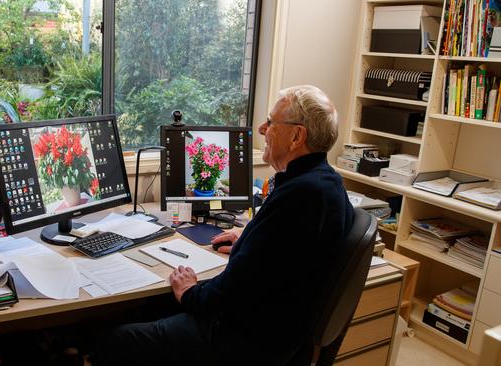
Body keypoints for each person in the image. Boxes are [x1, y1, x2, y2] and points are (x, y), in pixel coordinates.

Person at [91, 85, 355, 365]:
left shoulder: (301, 195)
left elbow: (235, 290)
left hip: (245, 340)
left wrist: (191, 292)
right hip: (279, 333)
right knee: (152, 307)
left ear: (297, 136)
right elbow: (285, 254)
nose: (263, 128)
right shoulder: (326, 183)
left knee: (114, 341)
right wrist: (250, 237)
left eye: (271, 122)